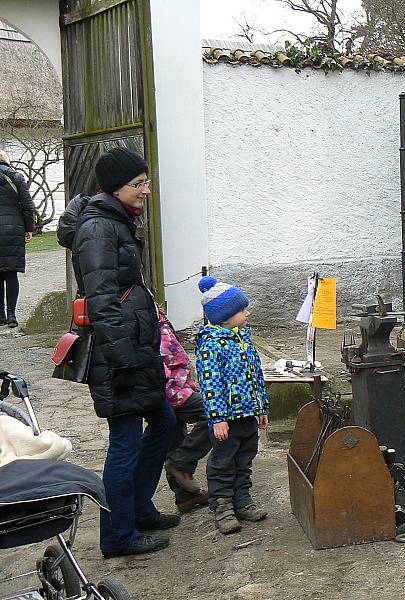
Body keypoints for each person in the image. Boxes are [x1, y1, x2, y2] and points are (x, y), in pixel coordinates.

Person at [57, 147, 178, 558]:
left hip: (134, 349)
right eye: (138, 184)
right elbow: (103, 300)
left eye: (147, 182)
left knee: (165, 422)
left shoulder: (118, 222)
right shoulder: (98, 230)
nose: (146, 191)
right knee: (126, 441)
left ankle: (138, 509)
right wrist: (125, 357)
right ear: (114, 187)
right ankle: (118, 535)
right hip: (117, 357)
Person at [195, 276, 270, 534]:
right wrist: (217, 418)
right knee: (223, 461)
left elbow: (256, 375)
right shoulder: (211, 345)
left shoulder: (244, 340)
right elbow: (210, 384)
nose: (247, 313)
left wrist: (262, 408)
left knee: (245, 458)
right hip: (226, 419)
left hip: (248, 413)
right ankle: (222, 504)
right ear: (224, 316)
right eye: (241, 310)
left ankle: (242, 500)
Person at [158, 309, 213, 512]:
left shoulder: (143, 301)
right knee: (212, 412)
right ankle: (181, 462)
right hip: (170, 387)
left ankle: (186, 495)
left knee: (174, 433)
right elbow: (161, 354)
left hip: (173, 384)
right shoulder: (134, 303)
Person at [0, 149, 35, 328]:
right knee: (10, 273)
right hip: (12, 229)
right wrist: (29, 228)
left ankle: (0, 315)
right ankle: (12, 315)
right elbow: (27, 205)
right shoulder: (16, 177)